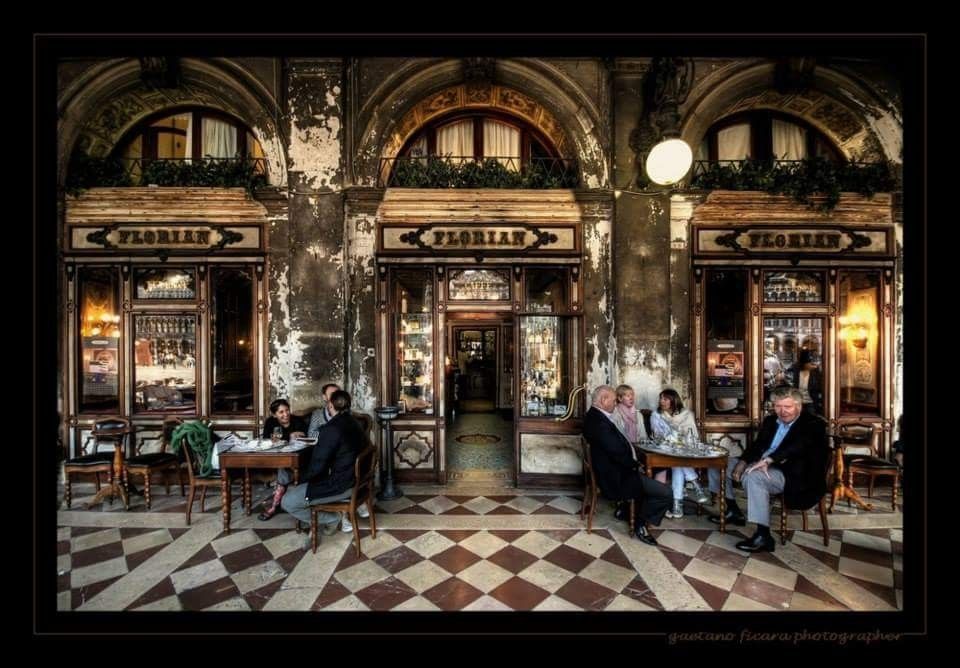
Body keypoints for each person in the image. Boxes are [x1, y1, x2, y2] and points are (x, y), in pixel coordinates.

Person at [710, 386, 829, 553]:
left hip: (791, 473)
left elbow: (797, 446)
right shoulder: (771, 421)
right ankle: (733, 510)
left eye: (787, 407)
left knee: (754, 478)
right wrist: (743, 462)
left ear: (799, 406)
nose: (782, 411)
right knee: (717, 463)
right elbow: (758, 445)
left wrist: (769, 460)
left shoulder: (813, 424)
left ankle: (763, 535)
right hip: (760, 464)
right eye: (778, 406)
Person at [582, 385, 672, 546]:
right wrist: (636, 465)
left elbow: (615, 448)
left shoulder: (594, 416)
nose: (615, 403)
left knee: (654, 474)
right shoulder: (599, 422)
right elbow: (617, 452)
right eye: (613, 400)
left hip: (612, 471)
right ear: (603, 400)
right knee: (665, 492)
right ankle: (641, 524)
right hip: (616, 478)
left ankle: (625, 510)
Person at [280, 390, 368, 543]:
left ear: (330, 405)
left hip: (341, 485)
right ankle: (331, 517)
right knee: (303, 486)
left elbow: (317, 466)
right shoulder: (354, 423)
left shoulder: (331, 429)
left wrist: (299, 480)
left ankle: (331, 519)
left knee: (288, 501)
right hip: (358, 481)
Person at [649, 389, 710, 519]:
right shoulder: (656, 415)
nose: (661, 401)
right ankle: (695, 484)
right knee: (677, 461)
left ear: (673, 400)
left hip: (684, 449)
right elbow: (658, 435)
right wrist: (674, 436)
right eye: (661, 398)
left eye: (665, 399)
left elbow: (691, 434)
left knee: (677, 464)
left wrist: (677, 436)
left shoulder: (686, 414)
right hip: (665, 449)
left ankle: (677, 507)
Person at [257, 399, 308, 520]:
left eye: (287, 410)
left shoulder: (298, 421)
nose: (285, 414)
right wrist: (288, 436)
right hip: (276, 457)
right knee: (282, 467)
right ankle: (276, 500)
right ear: (274, 414)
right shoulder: (270, 422)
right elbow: (266, 439)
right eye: (281, 412)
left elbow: (306, 438)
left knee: (283, 469)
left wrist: (299, 436)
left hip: (299, 458)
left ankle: (273, 505)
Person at [785, 350, 823, 416]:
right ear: (803, 363)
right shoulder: (795, 370)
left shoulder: (815, 373)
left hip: (810, 402)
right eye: (809, 363)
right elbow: (788, 381)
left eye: (812, 363)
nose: (811, 365)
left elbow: (819, 387)